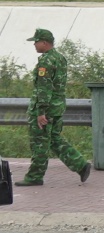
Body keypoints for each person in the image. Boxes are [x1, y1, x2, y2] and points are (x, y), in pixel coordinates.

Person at [22, 30, 89, 187]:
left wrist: (40, 112)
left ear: (44, 43)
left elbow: (44, 88)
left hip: (46, 110)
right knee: (54, 140)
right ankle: (80, 164)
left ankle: (34, 176)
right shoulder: (60, 58)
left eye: (36, 41)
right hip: (57, 108)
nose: (34, 44)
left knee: (40, 142)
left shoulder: (45, 61)